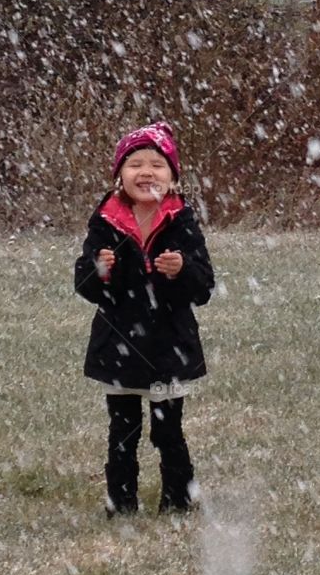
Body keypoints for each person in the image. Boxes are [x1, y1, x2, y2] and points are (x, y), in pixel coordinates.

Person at [75, 121, 215, 518]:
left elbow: (203, 286)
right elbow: (85, 285)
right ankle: (120, 504)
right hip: (118, 345)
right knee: (122, 432)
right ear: (120, 175)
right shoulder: (106, 220)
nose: (146, 172)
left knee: (168, 430)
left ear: (172, 177)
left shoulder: (181, 221)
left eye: (157, 164)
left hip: (168, 345)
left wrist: (182, 270)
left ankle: (179, 500)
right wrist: (100, 269)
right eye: (135, 164)